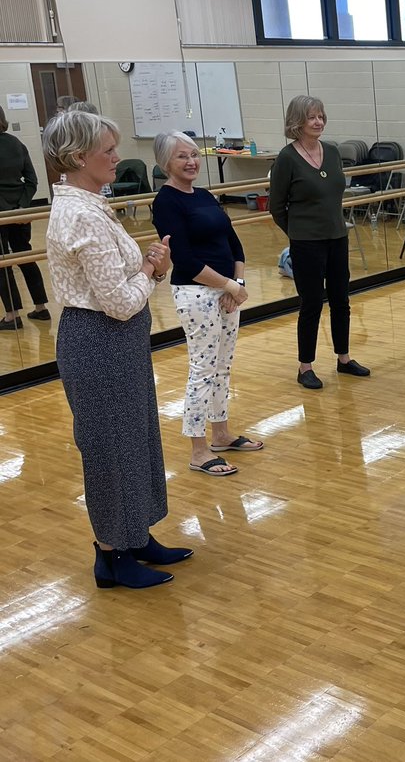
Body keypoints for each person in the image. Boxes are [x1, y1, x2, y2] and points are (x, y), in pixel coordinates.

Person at [42, 110, 193, 589]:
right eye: (107, 150)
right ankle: (110, 555)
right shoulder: (79, 214)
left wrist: (152, 265)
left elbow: (122, 286)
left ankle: (136, 534)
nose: (116, 157)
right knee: (109, 450)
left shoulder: (92, 202)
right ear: (77, 156)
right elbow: (121, 303)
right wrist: (150, 272)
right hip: (98, 344)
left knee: (137, 440)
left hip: (117, 344)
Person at [151, 131, 263, 477]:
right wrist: (228, 284)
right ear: (165, 162)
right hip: (196, 293)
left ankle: (221, 434)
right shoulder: (167, 201)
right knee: (202, 369)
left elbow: (235, 244)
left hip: (228, 291)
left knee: (223, 367)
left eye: (194, 155)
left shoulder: (204, 195)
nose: (191, 162)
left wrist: (237, 283)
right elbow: (182, 259)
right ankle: (198, 451)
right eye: (182, 156)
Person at [269, 95, 369, 388]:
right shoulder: (287, 158)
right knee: (311, 303)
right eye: (311, 117)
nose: (318, 122)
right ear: (297, 122)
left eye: (321, 116)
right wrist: (299, 232)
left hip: (337, 236)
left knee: (341, 300)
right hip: (306, 243)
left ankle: (344, 358)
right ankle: (305, 367)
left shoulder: (333, 152)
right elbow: (277, 207)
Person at [0, 104, 50, 329]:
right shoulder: (16, 143)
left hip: (1, 215)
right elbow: (31, 180)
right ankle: (41, 308)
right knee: (25, 256)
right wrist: (21, 207)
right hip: (20, 212)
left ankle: (12, 315)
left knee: (3, 264)